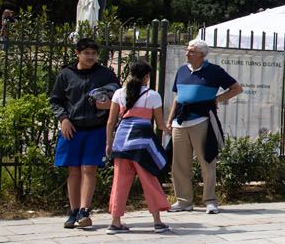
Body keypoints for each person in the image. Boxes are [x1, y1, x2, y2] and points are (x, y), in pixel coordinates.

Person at [49, 37, 119, 229]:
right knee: (73, 170)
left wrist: (107, 105)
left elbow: (118, 97)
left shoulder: (106, 74)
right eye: (86, 53)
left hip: (96, 127)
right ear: (77, 54)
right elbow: (55, 100)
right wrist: (63, 119)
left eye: (93, 53)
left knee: (89, 168)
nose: (90, 57)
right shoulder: (66, 74)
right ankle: (72, 211)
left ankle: (84, 210)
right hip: (72, 127)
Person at [168, 39, 241, 214]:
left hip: (201, 120)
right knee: (179, 164)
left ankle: (210, 200)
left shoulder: (214, 71)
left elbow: (236, 88)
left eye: (191, 51)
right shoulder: (182, 70)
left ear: (201, 54)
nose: (187, 53)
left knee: (207, 160)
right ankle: (184, 201)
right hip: (180, 121)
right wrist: (170, 120)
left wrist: (217, 99)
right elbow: (177, 97)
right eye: (187, 50)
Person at [103, 61, 170, 233]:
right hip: (141, 145)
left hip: (121, 142)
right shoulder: (153, 95)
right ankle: (157, 221)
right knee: (149, 180)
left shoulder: (119, 93)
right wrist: (169, 130)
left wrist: (109, 143)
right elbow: (160, 124)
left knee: (119, 181)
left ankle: (115, 221)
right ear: (147, 76)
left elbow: (111, 122)